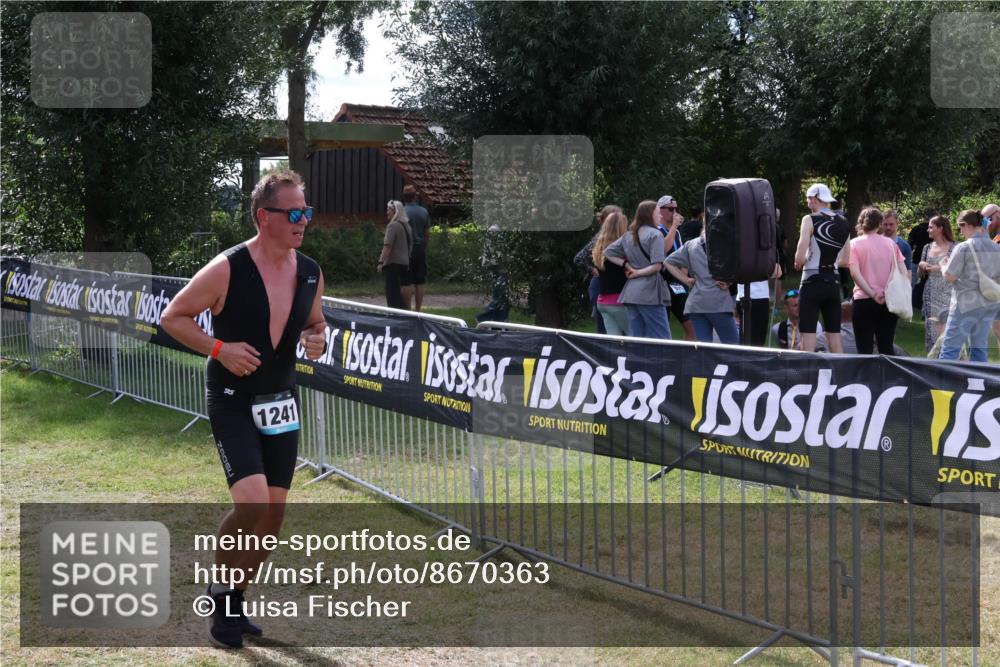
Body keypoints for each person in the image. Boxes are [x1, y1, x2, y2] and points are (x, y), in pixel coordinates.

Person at [161, 170, 327, 649]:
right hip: (233, 399)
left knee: (271, 518)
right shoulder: (227, 268)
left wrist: (317, 339)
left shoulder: (310, 271)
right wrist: (219, 349)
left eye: (306, 212)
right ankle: (220, 594)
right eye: (293, 213)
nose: (302, 221)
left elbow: (316, 323)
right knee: (252, 503)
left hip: (281, 399)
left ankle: (232, 598)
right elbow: (173, 316)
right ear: (263, 217)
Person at [794, 183, 851, 353]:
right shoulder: (844, 222)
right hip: (833, 283)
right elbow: (845, 260)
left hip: (811, 282)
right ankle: (840, 370)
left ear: (814, 199)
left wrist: (803, 260)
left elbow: (799, 257)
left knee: (808, 338)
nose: (807, 203)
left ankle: (808, 370)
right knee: (834, 337)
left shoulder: (809, 219)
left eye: (808, 199)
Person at [603, 200, 672, 339]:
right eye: (658, 213)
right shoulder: (656, 234)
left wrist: (626, 265)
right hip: (650, 292)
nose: (661, 216)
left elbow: (608, 252)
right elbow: (657, 266)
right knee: (662, 337)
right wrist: (636, 272)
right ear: (650, 214)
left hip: (631, 293)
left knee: (636, 337)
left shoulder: (629, 235)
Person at [939, 209, 1000, 363]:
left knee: (950, 350)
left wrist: (943, 266)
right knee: (980, 350)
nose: (960, 231)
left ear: (967, 225)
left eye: (961, 226)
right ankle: (978, 379)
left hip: (965, 304)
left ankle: (943, 379)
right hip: (989, 304)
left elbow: (950, 276)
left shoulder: (964, 247)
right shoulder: (997, 248)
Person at [663, 227, 739, 344]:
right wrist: (729, 281)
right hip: (718, 301)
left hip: (696, 303)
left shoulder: (691, 244)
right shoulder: (725, 243)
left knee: (703, 348)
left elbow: (668, 262)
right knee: (732, 346)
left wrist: (686, 280)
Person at [849, 207, 908, 355]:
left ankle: (866, 372)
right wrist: (886, 290)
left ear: (861, 223)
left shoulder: (854, 243)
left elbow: (855, 273)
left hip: (863, 300)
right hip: (888, 300)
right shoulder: (891, 244)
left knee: (864, 349)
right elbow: (903, 272)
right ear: (880, 223)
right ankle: (887, 371)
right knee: (886, 348)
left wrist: (872, 293)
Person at [574, 204, 623, 334]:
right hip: (601, 287)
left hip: (609, 289)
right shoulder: (601, 238)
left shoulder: (617, 237)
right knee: (605, 330)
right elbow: (579, 258)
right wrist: (593, 270)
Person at [655, 195, 696, 340]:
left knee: (691, 325)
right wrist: (673, 226)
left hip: (677, 283)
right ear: (660, 210)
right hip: (662, 283)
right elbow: (664, 249)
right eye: (670, 209)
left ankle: (684, 353)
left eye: (675, 209)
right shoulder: (657, 231)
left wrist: (684, 277)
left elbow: (681, 255)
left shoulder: (677, 232)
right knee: (663, 329)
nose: (674, 212)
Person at [917, 215, 955, 353]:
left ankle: (950, 359)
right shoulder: (927, 247)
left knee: (948, 329)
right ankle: (932, 359)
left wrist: (936, 268)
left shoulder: (955, 247)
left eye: (931, 227)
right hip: (930, 292)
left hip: (948, 292)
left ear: (940, 228)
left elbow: (956, 269)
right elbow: (920, 274)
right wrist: (921, 265)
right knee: (931, 328)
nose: (928, 230)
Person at [591, 210, 630, 335]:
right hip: (619, 301)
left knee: (615, 341)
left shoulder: (599, 247)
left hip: (603, 302)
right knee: (634, 337)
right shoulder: (621, 250)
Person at [378, 200, 413, 310]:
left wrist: (381, 262)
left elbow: (387, 246)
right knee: (401, 290)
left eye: (389, 209)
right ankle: (405, 311)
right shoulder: (407, 226)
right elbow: (410, 245)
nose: (387, 212)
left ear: (395, 211)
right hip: (405, 263)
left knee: (392, 292)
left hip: (393, 263)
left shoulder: (392, 226)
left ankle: (394, 313)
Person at [401, 185, 430, 311]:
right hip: (419, 248)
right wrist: (424, 247)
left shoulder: (402, 212)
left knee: (406, 281)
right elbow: (427, 233)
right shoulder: (423, 212)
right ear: (415, 197)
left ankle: (408, 309)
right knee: (420, 280)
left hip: (405, 248)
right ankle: (418, 309)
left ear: (404, 197)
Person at [880, 209, 912, 280]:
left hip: (896, 283)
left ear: (897, 223)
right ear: (881, 224)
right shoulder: (875, 243)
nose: (888, 227)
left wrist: (907, 285)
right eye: (885, 224)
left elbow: (908, 269)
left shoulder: (904, 245)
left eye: (891, 224)